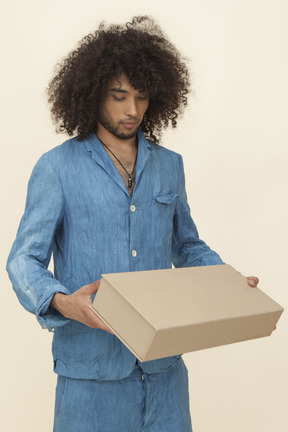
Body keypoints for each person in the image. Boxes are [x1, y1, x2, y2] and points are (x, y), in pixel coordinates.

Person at [6, 16, 258, 432]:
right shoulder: (57, 168)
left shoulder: (169, 166)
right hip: (90, 376)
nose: (133, 110)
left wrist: (227, 280)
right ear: (92, 94)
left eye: (141, 97)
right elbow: (23, 260)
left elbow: (188, 245)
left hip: (164, 371)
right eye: (119, 96)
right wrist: (65, 302)